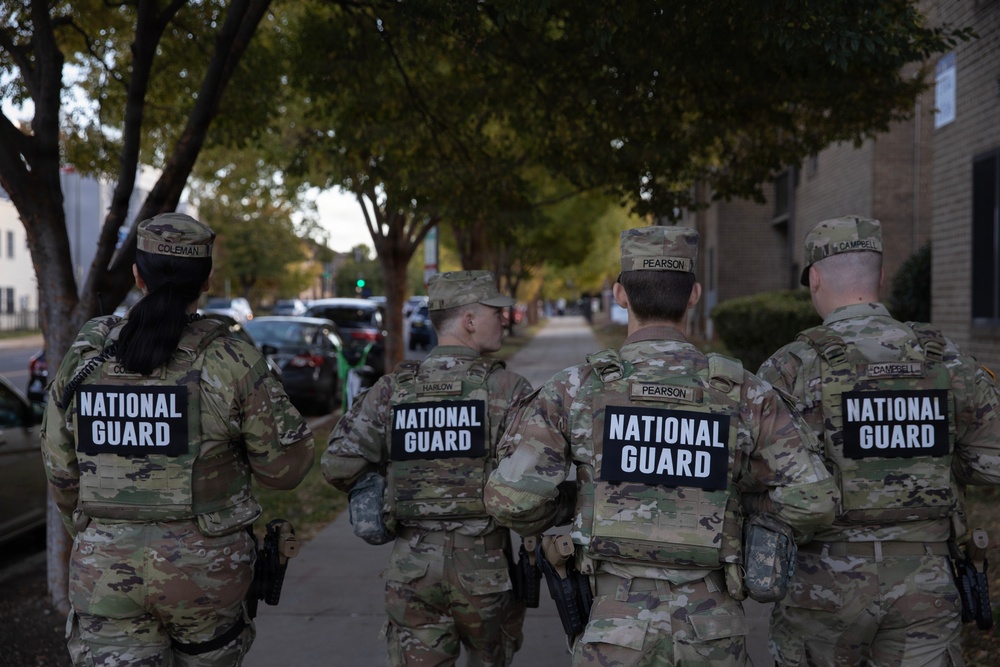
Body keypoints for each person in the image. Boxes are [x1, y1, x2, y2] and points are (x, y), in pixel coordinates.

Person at [484, 225, 839, 666]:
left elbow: (510, 501)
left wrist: (579, 504)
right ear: (693, 295)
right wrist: (737, 509)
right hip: (714, 631)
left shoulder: (574, 389)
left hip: (614, 628)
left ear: (619, 294)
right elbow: (815, 500)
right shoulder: (745, 392)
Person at [41, 213, 315, 666]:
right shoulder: (230, 355)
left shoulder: (88, 352)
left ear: (136, 274)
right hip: (206, 578)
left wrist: (100, 531)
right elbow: (283, 470)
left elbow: (59, 468)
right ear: (207, 280)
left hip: (105, 573)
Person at [758, 215, 1000, 666]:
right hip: (925, 584)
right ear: (881, 276)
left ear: (813, 279)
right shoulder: (943, 356)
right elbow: (992, 461)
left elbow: (756, 477)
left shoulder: (790, 367)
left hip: (820, 585)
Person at [322, 270, 534, 666]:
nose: (504, 319)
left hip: (412, 571)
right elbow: (533, 488)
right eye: (496, 312)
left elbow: (337, 463)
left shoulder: (392, 390)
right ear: (469, 321)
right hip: (486, 576)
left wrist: (385, 494)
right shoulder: (508, 390)